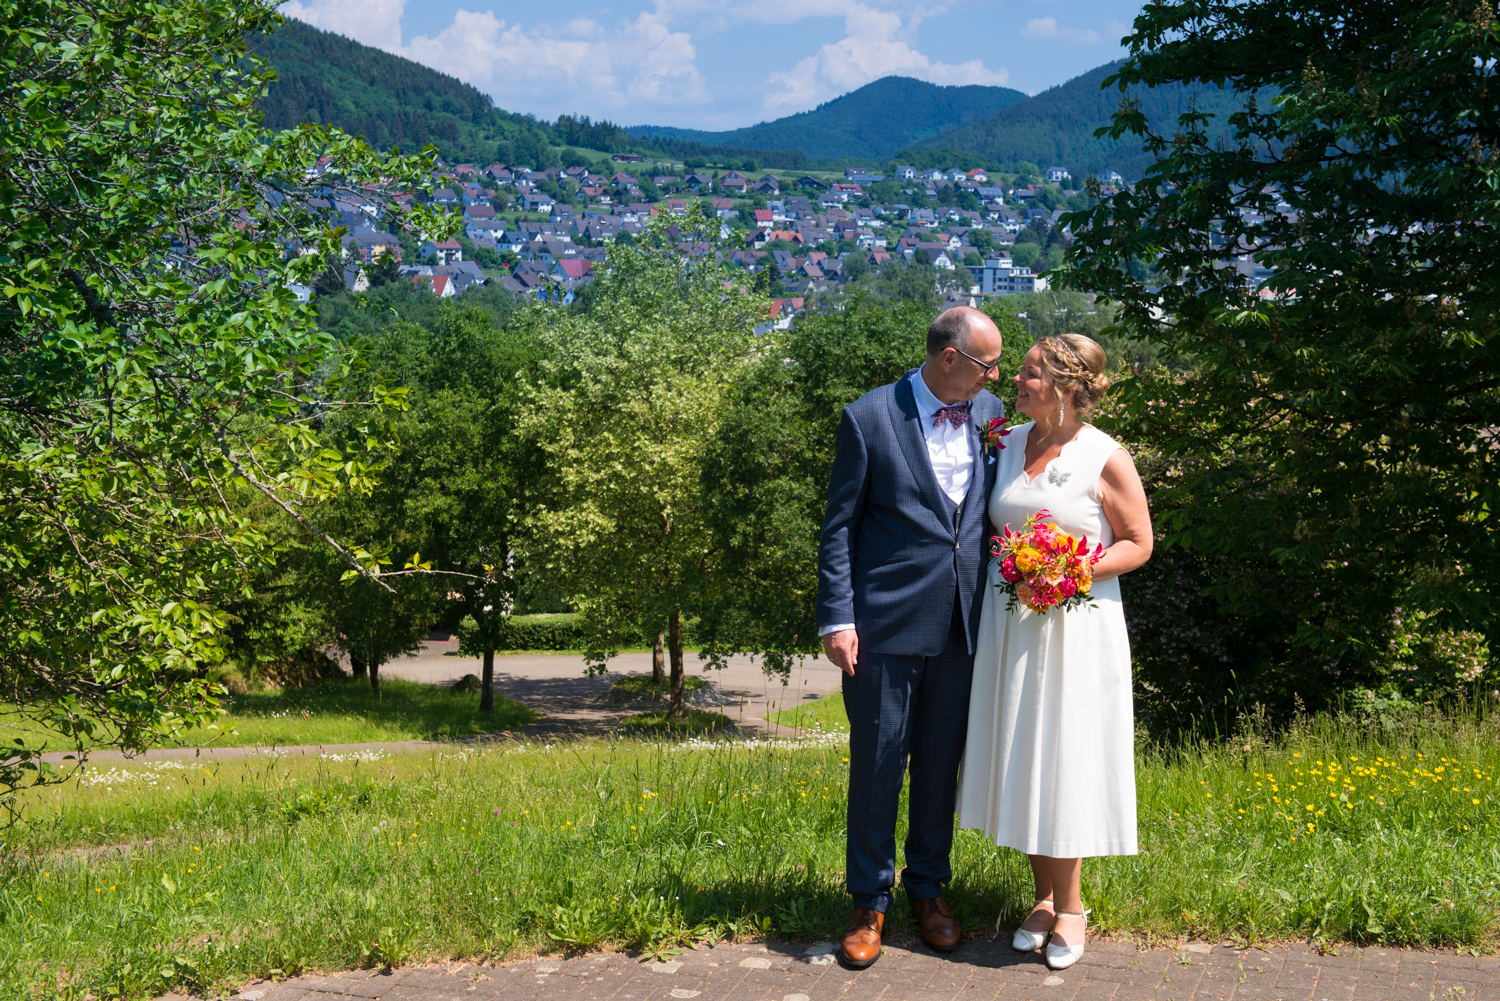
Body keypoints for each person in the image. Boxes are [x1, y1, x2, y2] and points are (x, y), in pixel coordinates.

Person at [956, 334, 1153, 971]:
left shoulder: (1105, 456)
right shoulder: (1007, 442)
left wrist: (1071, 570)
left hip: (1075, 628)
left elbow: (1139, 543)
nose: (1016, 380)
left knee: (1062, 758)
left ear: (1067, 388)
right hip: (1010, 625)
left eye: (1030, 373)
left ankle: (1071, 908)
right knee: (1023, 755)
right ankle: (1041, 899)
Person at [816, 306, 1006, 967]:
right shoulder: (868, 417)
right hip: (884, 626)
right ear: (950, 358)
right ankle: (869, 901)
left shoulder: (991, 414)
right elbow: (839, 527)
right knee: (877, 765)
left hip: (964, 621)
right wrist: (837, 618)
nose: (997, 376)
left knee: (939, 764)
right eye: (988, 364)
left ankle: (928, 889)